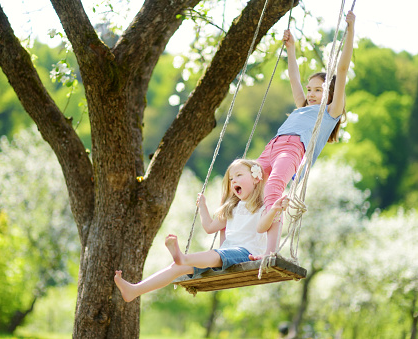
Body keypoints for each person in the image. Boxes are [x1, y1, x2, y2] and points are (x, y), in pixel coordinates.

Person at [250, 11, 356, 260]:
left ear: (329, 93)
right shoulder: (302, 106)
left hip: (293, 150)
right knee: (247, 182)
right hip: (272, 147)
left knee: (274, 189)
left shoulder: (330, 112)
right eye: (310, 90)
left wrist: (350, 29)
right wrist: (292, 49)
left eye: (319, 90)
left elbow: (341, 69)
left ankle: (270, 251)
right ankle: (244, 244)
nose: (311, 94)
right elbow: (293, 77)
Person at [114, 159, 288, 302]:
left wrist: (275, 210)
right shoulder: (232, 207)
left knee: (210, 255)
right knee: (177, 267)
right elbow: (210, 227)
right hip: (225, 253)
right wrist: (203, 206)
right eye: (230, 179)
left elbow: (264, 226)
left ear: (256, 179)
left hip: (247, 253)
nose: (233, 180)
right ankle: (134, 290)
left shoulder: (265, 206)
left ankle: (184, 257)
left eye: (239, 175)